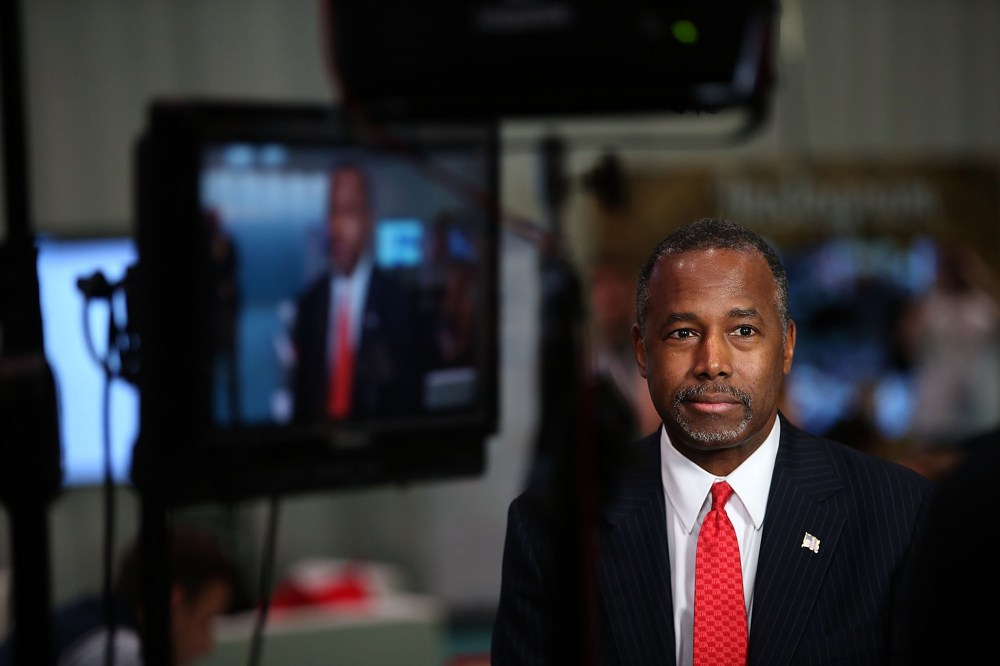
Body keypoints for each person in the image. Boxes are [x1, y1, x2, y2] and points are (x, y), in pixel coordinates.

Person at [491, 217, 935, 665]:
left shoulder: (899, 513)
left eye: (743, 331)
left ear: (786, 346)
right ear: (642, 350)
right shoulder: (555, 526)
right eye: (683, 333)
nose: (712, 362)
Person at [291, 161, 423, 421]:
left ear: (368, 220)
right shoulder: (309, 303)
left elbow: (407, 405)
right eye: (333, 211)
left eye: (349, 211)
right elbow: (302, 403)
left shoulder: (399, 303)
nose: (338, 226)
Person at [0, 524, 237, 666]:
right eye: (204, 622)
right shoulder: (121, 652)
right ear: (172, 604)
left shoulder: (92, 619)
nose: (207, 646)